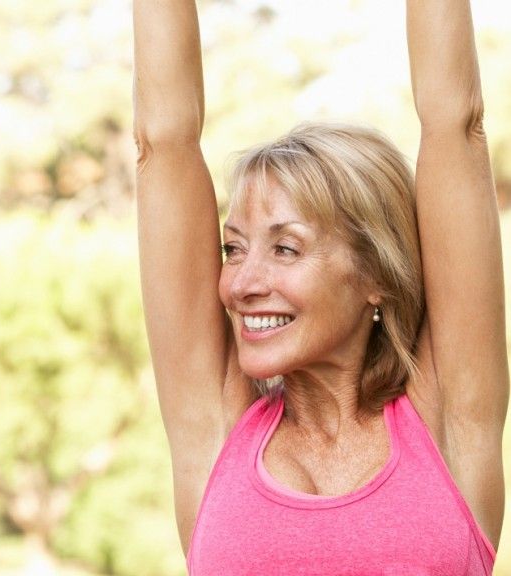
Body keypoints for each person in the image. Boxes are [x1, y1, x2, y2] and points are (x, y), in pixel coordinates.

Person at [133, 0, 507, 573]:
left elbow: (457, 123)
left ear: (376, 275)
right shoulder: (216, 428)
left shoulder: (448, 423)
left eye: (285, 248)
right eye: (233, 249)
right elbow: (163, 143)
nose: (241, 284)